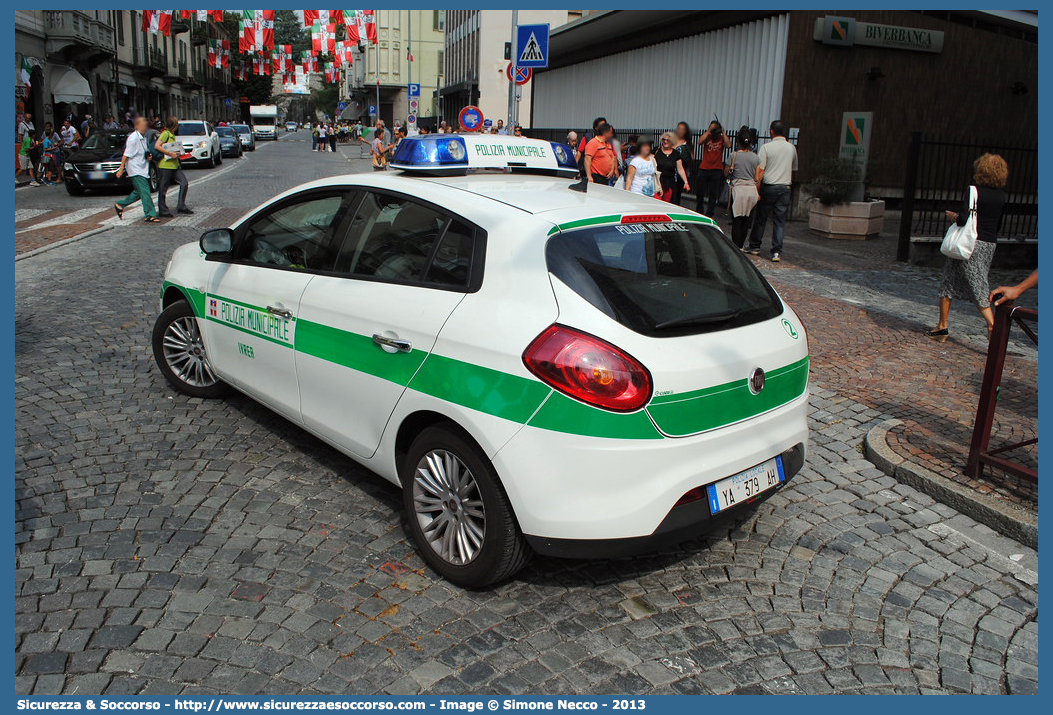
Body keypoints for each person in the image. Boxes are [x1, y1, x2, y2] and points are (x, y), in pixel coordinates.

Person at [926, 153, 1009, 341]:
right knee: (949, 280)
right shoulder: (1002, 196)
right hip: (989, 243)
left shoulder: (974, 191)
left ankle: (992, 326)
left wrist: (954, 217)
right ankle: (942, 326)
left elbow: (964, 219)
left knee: (977, 284)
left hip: (970, 243)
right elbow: (998, 224)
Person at [745, 120, 798, 262]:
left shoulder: (766, 147)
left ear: (771, 131)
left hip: (769, 186)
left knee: (761, 218)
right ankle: (776, 251)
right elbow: (794, 168)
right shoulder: (791, 148)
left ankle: (754, 246)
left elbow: (760, 170)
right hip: (785, 187)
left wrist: (757, 188)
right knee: (779, 221)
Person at [113, 117, 159, 223]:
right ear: (136, 126)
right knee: (145, 192)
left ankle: (120, 204)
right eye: (142, 125)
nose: (144, 127)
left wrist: (148, 157)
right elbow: (126, 155)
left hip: (142, 168)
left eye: (145, 125)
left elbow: (142, 152)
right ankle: (150, 214)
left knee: (138, 192)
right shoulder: (133, 138)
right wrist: (121, 169)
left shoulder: (143, 137)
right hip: (136, 169)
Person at [726, 127, 761, 249]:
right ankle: (741, 244)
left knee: (737, 219)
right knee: (747, 219)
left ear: (738, 141)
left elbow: (726, 172)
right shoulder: (756, 157)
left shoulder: (733, 155)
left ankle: (736, 246)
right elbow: (757, 177)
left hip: (738, 189)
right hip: (751, 190)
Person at [154, 116, 192, 218]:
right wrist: (169, 153)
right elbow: (157, 146)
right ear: (173, 125)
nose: (178, 126)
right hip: (165, 165)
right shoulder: (165, 134)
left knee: (184, 183)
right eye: (177, 124)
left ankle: (181, 206)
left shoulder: (171, 134)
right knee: (163, 187)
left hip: (174, 164)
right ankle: (162, 209)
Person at [696, 121, 732, 216]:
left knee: (713, 193)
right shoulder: (707, 137)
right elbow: (699, 142)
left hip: (716, 169)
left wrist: (723, 132)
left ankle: (710, 212)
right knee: (700, 192)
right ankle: (699, 210)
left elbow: (729, 145)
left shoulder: (721, 138)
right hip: (704, 168)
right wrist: (709, 131)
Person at [654, 131, 690, 202]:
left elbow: (680, 169)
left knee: (666, 202)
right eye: (663, 139)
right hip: (657, 181)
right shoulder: (657, 150)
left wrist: (686, 182)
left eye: (668, 140)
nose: (665, 141)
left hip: (669, 183)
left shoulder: (676, 154)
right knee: (657, 201)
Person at [672, 122, 694, 206]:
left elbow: (691, 158)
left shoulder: (687, 144)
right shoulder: (672, 141)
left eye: (683, 129)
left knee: (677, 194)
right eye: (679, 128)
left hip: (681, 170)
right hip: (671, 169)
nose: (680, 131)